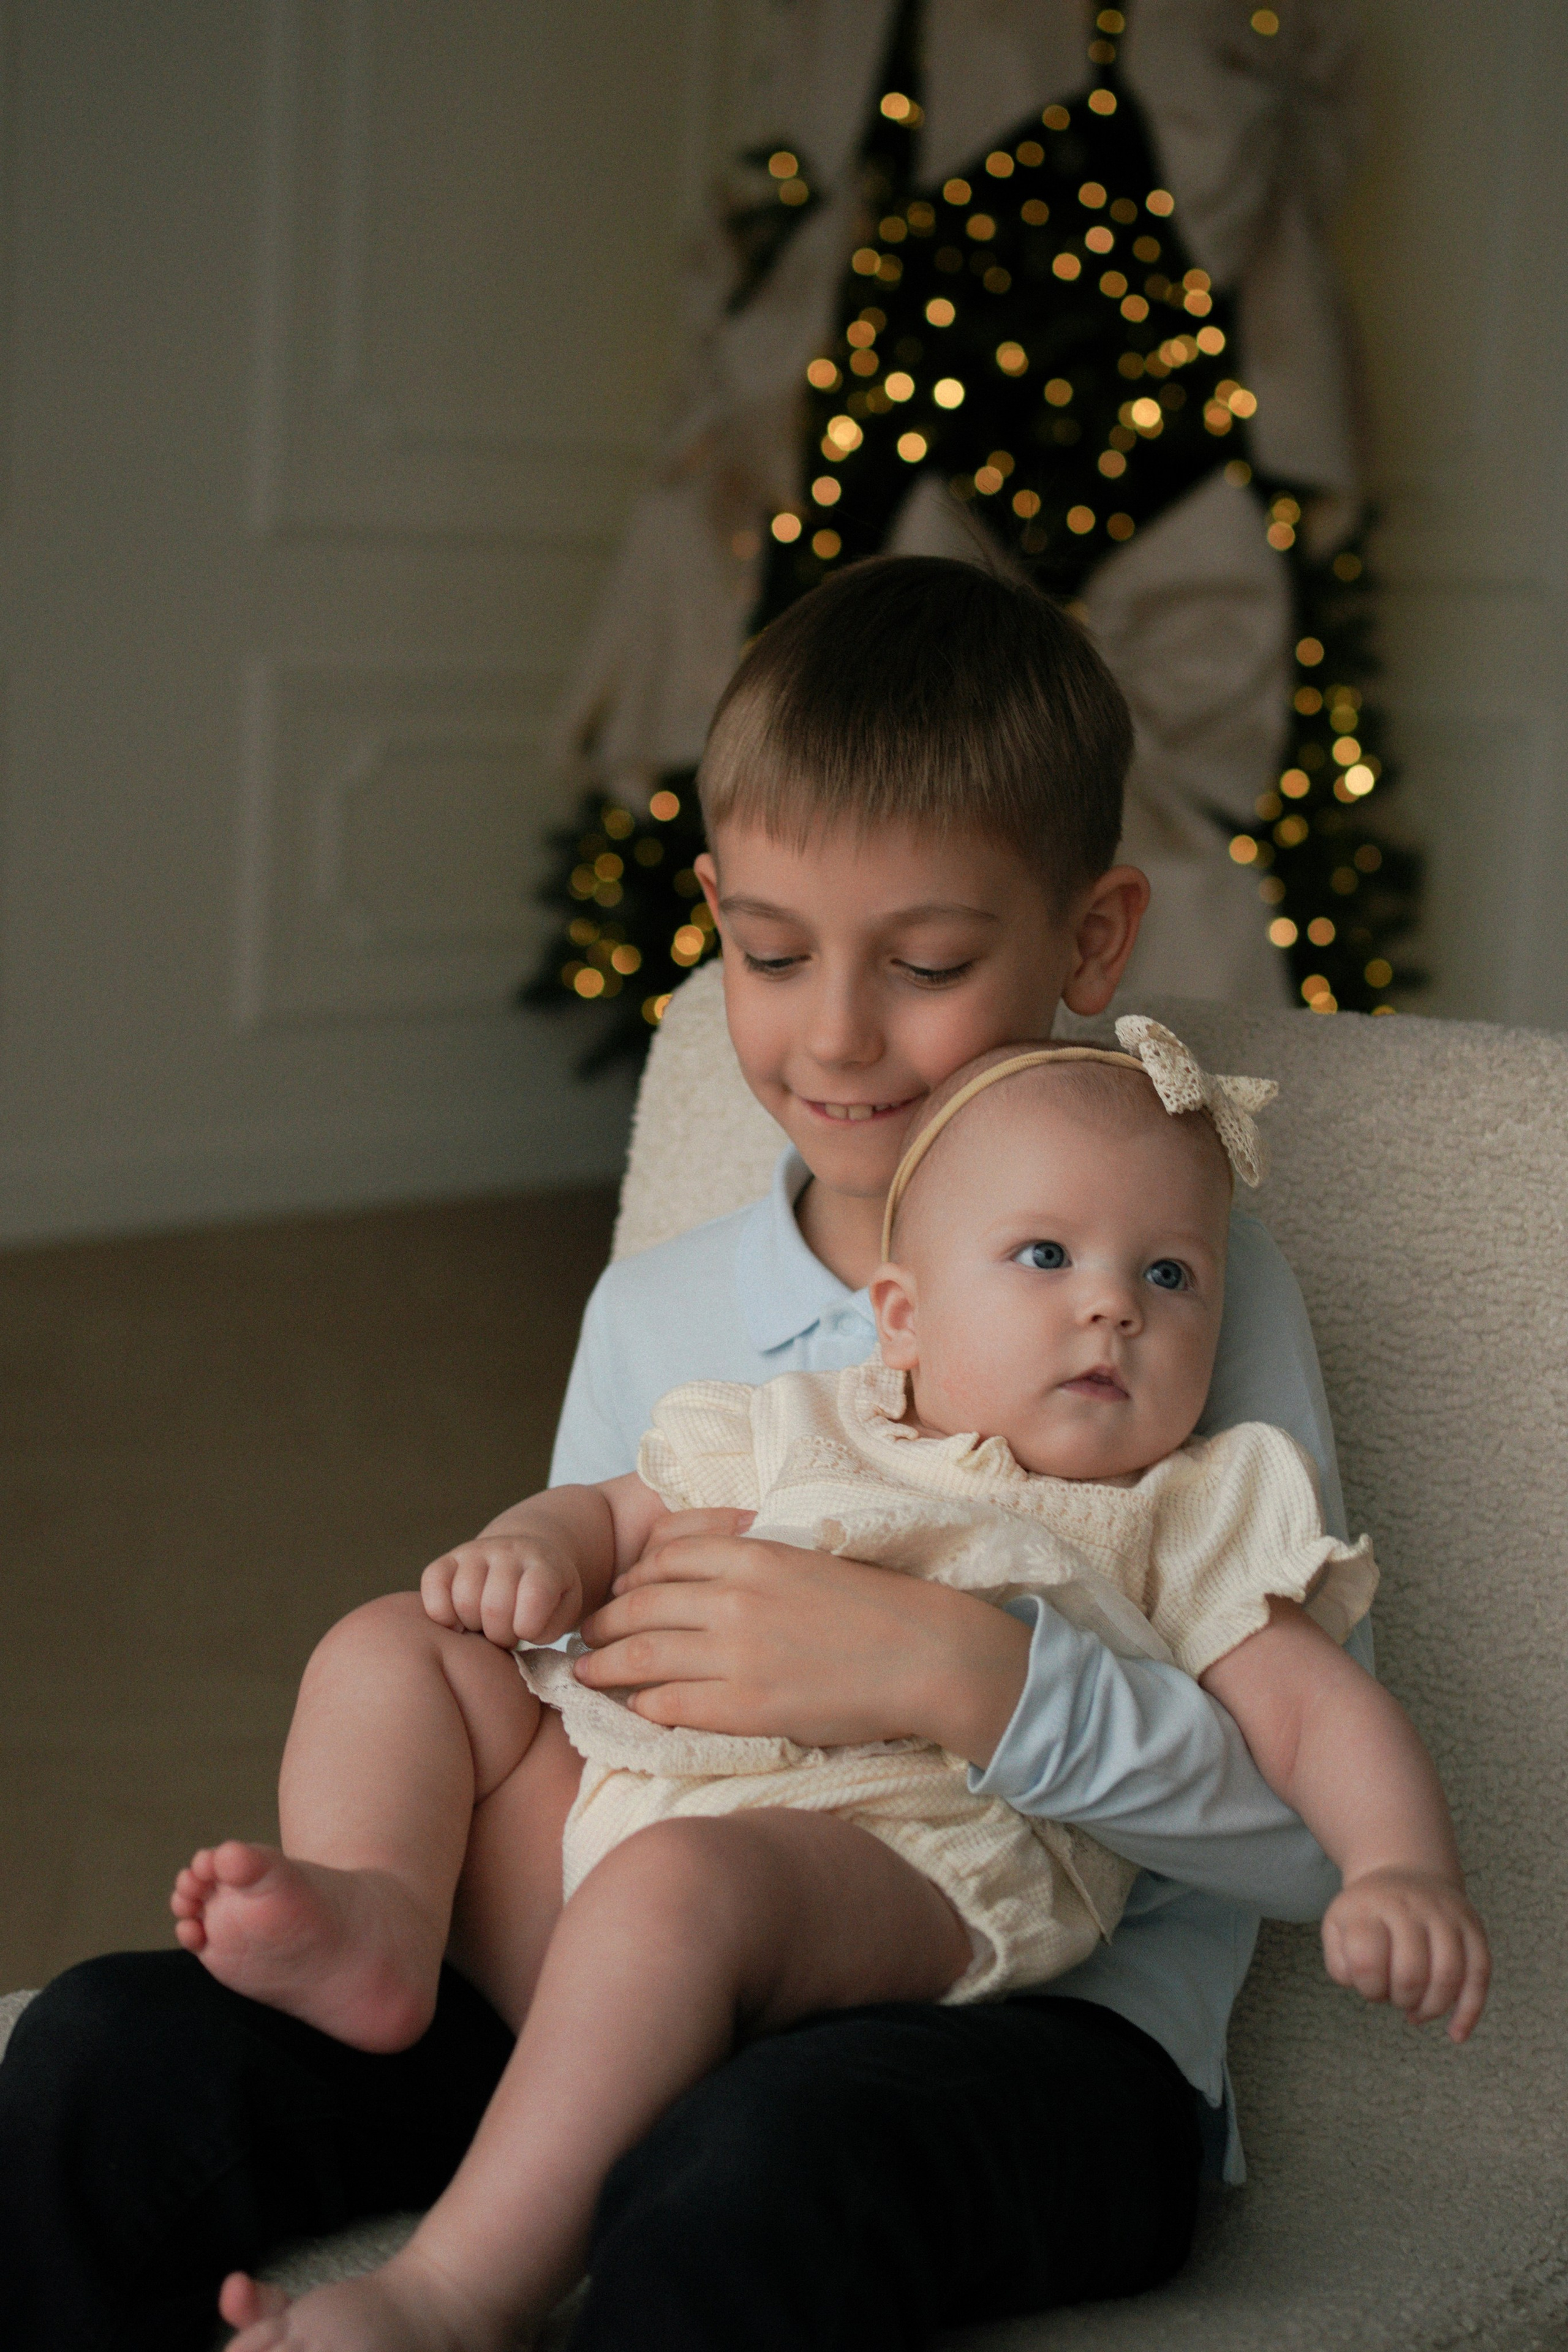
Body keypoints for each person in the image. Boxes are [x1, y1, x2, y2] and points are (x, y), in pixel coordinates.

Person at [0, 558, 1423, 2349]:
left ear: (1087, 940)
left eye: (923, 963)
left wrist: (962, 1674)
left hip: (1023, 2027)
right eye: (768, 953)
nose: (832, 1034)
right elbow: (582, 1696)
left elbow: (1309, 1833)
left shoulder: (1170, 1294)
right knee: (106, 2055)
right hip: (611, 1964)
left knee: (753, 2177)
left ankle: (468, 2285)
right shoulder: (667, 1313)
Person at [170, 1021, 1488, 2351]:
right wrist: (529, 1551)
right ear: (901, 1318)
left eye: (1169, 1275)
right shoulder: (802, 1419)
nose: (1113, 1306)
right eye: (1045, 1256)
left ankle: (451, 2296)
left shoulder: (1178, 1510)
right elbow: (609, 1510)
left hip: (909, 1863)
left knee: (679, 1891)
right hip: (629, 1803)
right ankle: (379, 1917)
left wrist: (1399, 1869)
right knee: (392, 1644)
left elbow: (1316, 1713)